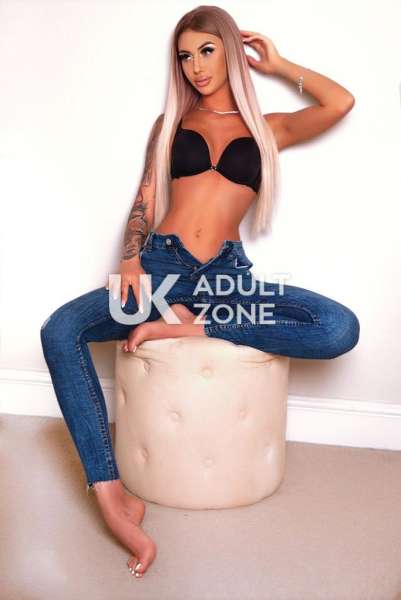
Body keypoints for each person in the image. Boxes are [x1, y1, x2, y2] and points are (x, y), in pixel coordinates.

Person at [40, 5, 360, 579]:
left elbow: (340, 103)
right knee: (60, 330)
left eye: (206, 50)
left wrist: (281, 64)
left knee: (339, 327)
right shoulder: (169, 125)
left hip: (225, 279)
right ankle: (110, 494)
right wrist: (130, 260)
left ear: (230, 50)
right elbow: (145, 197)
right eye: (185, 56)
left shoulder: (267, 129)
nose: (195, 66)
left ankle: (190, 326)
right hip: (160, 267)